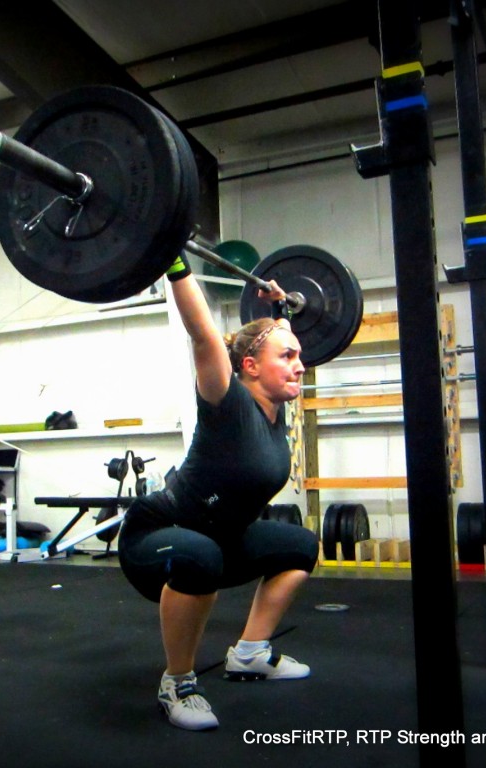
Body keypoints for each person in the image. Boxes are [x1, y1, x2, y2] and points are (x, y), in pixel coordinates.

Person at [117, 252, 320, 731]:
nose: (301, 366)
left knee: (300, 547)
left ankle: (250, 653)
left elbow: (275, 343)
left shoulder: (276, 409)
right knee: (201, 555)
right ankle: (178, 682)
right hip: (157, 535)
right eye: (288, 357)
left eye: (299, 356)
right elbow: (205, 335)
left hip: (220, 539)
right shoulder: (225, 402)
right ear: (249, 366)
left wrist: (282, 310)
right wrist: (171, 258)